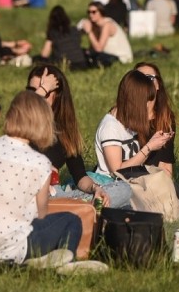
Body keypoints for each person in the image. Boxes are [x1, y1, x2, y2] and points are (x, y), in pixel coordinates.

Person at [0, 91, 83, 267]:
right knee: (71, 220)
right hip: (14, 249)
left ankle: (42, 261)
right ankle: (63, 263)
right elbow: (40, 214)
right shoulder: (40, 163)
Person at [26, 66, 130, 208]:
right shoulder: (23, 125)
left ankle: (83, 210)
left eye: (46, 91)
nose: (38, 95)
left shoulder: (64, 131)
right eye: (33, 91)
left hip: (54, 196)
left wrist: (96, 189)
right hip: (25, 196)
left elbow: (80, 177)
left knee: (124, 189)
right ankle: (82, 212)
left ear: (57, 95)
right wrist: (44, 88)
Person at [94, 70, 174, 180]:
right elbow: (118, 172)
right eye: (145, 101)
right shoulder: (110, 127)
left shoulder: (129, 122)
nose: (147, 106)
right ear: (134, 100)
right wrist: (149, 147)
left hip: (132, 182)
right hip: (112, 185)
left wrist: (155, 140)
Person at [134, 62, 177, 175]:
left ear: (158, 85)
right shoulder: (122, 117)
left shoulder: (165, 118)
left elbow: (165, 164)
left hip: (152, 180)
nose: (144, 83)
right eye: (139, 78)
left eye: (149, 78)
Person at [37, 5, 89, 70]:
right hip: (81, 63)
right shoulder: (74, 30)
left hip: (64, 64)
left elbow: (44, 54)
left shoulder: (53, 33)